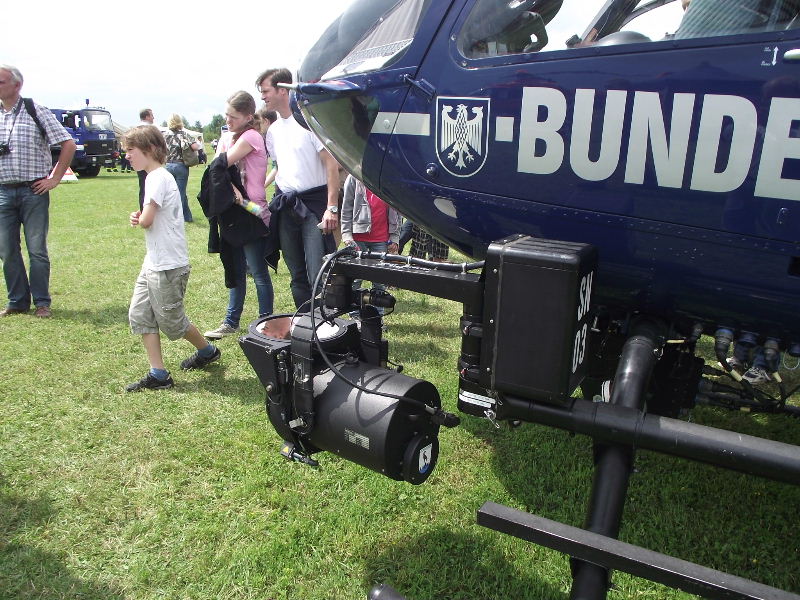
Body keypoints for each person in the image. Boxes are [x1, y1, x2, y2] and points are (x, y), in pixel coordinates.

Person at [123, 125, 220, 392]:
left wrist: (139, 218)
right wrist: (141, 217)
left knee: (172, 323)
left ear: (150, 149)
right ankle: (159, 374)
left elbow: (147, 219)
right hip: (153, 262)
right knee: (141, 314)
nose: (127, 156)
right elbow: (149, 218)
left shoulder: (156, 178)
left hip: (168, 264)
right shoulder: (152, 177)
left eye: (130, 150)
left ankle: (207, 351)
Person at [257, 67, 340, 310]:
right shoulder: (272, 131)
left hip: (314, 207)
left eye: (265, 91)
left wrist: (331, 208)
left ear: (283, 89)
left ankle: (324, 326)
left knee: (318, 271)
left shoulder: (309, 121)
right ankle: (305, 323)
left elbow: (331, 166)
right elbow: (280, 167)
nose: (262, 97)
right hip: (286, 206)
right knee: (296, 273)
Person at [0, 64, 76, 318]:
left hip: (33, 190)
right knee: (7, 249)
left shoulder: (35, 110)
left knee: (36, 249)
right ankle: (17, 301)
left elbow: (68, 143)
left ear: (16, 85)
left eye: (0, 82)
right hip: (3, 191)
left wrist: (54, 178)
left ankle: (42, 302)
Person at [204, 91, 274, 339]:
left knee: (257, 271)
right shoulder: (229, 137)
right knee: (235, 269)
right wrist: (232, 190)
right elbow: (217, 166)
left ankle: (267, 322)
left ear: (247, 117)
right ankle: (231, 321)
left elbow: (220, 164)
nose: (228, 120)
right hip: (234, 210)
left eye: (233, 116)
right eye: (226, 115)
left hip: (252, 211)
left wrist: (235, 192)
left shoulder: (252, 136)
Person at [341, 174, 400, 313]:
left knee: (379, 280)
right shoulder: (353, 178)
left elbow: (397, 212)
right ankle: (354, 313)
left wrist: (395, 237)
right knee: (355, 278)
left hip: (381, 238)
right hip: (357, 238)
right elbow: (346, 208)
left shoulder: (389, 178)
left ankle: (377, 316)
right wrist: (346, 234)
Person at [163, 114, 199, 222]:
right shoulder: (184, 134)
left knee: (173, 193)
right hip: (180, 166)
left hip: (168, 165)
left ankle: (186, 217)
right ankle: (180, 217)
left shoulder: (165, 135)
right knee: (181, 193)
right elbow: (195, 147)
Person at [137, 108, 157, 210]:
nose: (153, 117)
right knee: (154, 186)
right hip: (150, 161)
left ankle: (143, 209)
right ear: (147, 116)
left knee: (143, 186)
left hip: (139, 162)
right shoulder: (152, 129)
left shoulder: (135, 129)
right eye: (152, 115)